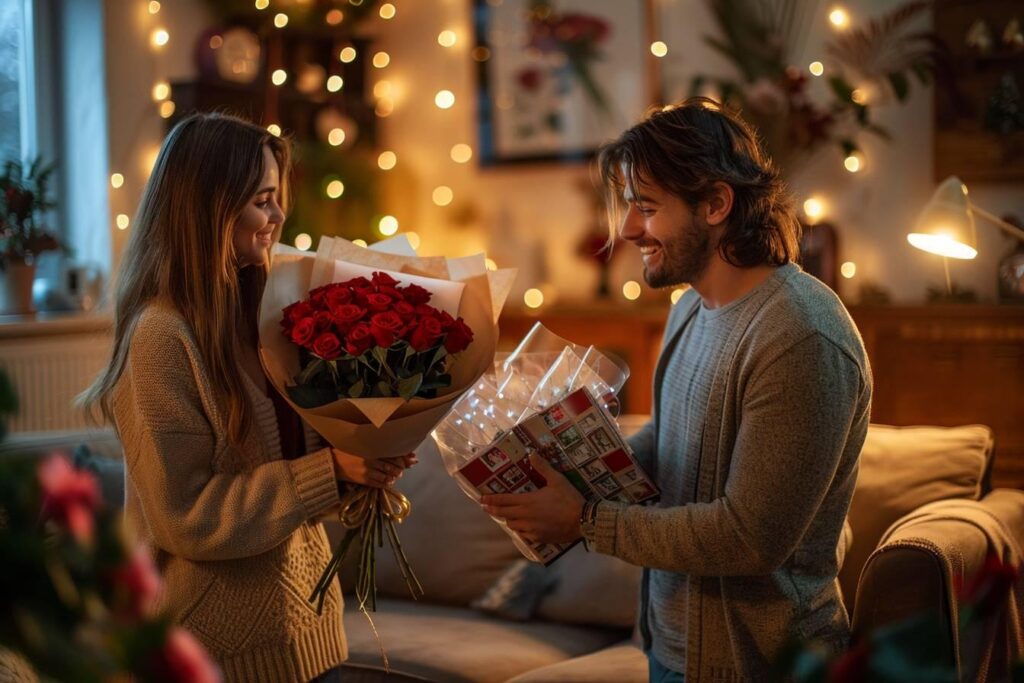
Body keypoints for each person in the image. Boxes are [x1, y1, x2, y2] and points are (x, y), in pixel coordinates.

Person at [481, 98, 873, 682]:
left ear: (716, 203)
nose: (628, 229)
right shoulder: (689, 307)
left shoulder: (800, 334)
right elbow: (670, 446)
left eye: (646, 207)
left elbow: (748, 539)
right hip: (669, 650)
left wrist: (585, 519)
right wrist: (566, 462)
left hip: (763, 667)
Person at [81, 112, 414, 683]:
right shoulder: (162, 335)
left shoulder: (269, 312)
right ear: (211, 207)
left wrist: (366, 458)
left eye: (276, 197)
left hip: (308, 635)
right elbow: (185, 517)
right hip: (207, 655)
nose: (279, 216)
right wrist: (328, 472)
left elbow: (292, 466)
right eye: (263, 200)